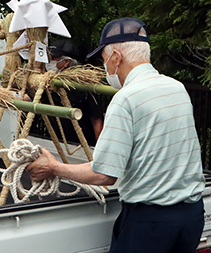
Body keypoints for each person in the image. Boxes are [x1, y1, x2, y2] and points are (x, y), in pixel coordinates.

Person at [26, 18, 205, 253]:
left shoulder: (126, 98)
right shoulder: (176, 88)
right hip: (191, 217)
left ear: (116, 57)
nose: (106, 69)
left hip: (150, 222)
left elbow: (104, 174)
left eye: (104, 61)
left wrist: (53, 167)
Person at [41, 39, 104, 146]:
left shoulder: (82, 85)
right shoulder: (48, 83)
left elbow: (96, 120)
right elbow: (29, 97)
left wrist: (99, 149)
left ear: (66, 62)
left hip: (81, 146)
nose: (48, 63)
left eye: (52, 59)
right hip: (54, 143)